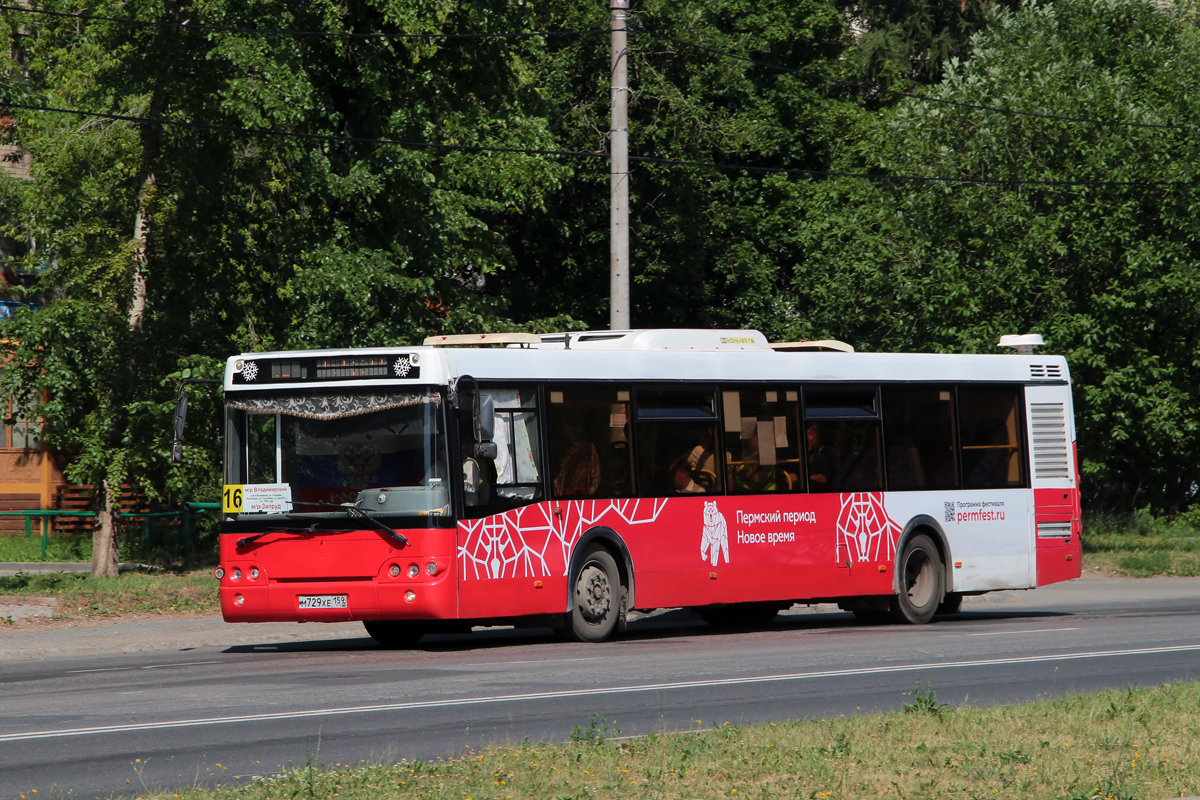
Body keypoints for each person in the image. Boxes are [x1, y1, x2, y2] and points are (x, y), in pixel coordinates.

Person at [806, 423, 837, 490]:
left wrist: (801, 479)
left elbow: (823, 478)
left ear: (812, 435)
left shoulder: (823, 452)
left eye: (806, 434)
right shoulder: (807, 453)